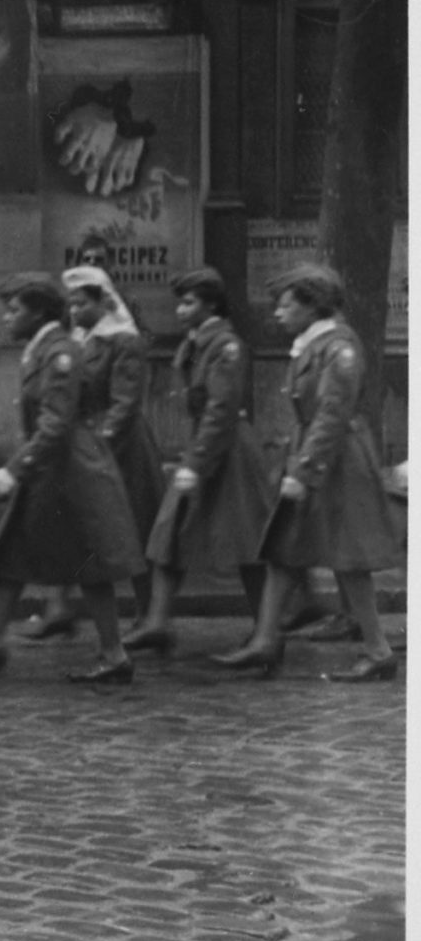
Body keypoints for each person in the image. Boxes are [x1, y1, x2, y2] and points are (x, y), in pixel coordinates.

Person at [0, 274, 146, 681]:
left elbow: (56, 424)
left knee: (91, 563)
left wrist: (13, 468)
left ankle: (114, 655)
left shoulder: (60, 353)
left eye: (15, 310)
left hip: (71, 468)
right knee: (13, 554)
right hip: (52, 468)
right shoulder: (42, 348)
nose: (6, 318)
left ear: (39, 312)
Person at [212, 264, 399, 680]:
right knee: (284, 548)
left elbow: (333, 414)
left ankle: (378, 650)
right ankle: (264, 640)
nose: (277, 313)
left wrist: (305, 468)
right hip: (315, 456)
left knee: (349, 558)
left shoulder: (339, 347)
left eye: (285, 305)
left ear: (313, 307)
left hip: (338, 461)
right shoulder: (312, 345)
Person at [127, 268, 271, 654]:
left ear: (211, 304)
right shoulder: (196, 344)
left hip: (229, 452)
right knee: (169, 532)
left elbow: (221, 411)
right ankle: (158, 621)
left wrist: (195, 463)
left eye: (189, 302)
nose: (180, 310)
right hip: (204, 447)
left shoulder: (226, 347)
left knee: (248, 542)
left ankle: (266, 631)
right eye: (180, 301)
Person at [63, 265, 164, 622]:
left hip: (123, 445)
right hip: (92, 439)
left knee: (136, 525)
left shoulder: (123, 340)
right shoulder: (81, 340)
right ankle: (61, 608)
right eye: (71, 305)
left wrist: (100, 444)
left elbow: (125, 402)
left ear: (102, 303)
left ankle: (149, 612)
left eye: (81, 304)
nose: (74, 312)